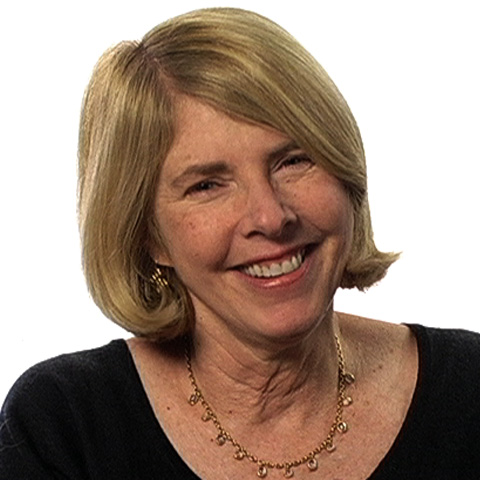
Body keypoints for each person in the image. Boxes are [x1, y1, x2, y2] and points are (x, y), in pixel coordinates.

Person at [1, 7, 479, 480]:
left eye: (293, 161)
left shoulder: (469, 388)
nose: (271, 217)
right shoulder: (63, 428)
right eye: (207, 185)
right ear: (147, 234)